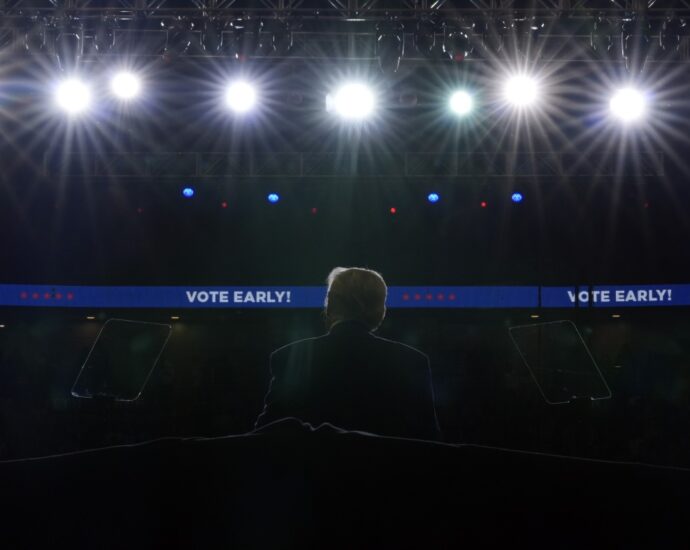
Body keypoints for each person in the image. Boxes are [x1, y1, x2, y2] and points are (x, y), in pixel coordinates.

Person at [255, 267, 441, 441]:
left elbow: (266, 434)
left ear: (330, 305)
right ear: (380, 311)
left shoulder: (289, 358)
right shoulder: (413, 361)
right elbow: (430, 443)